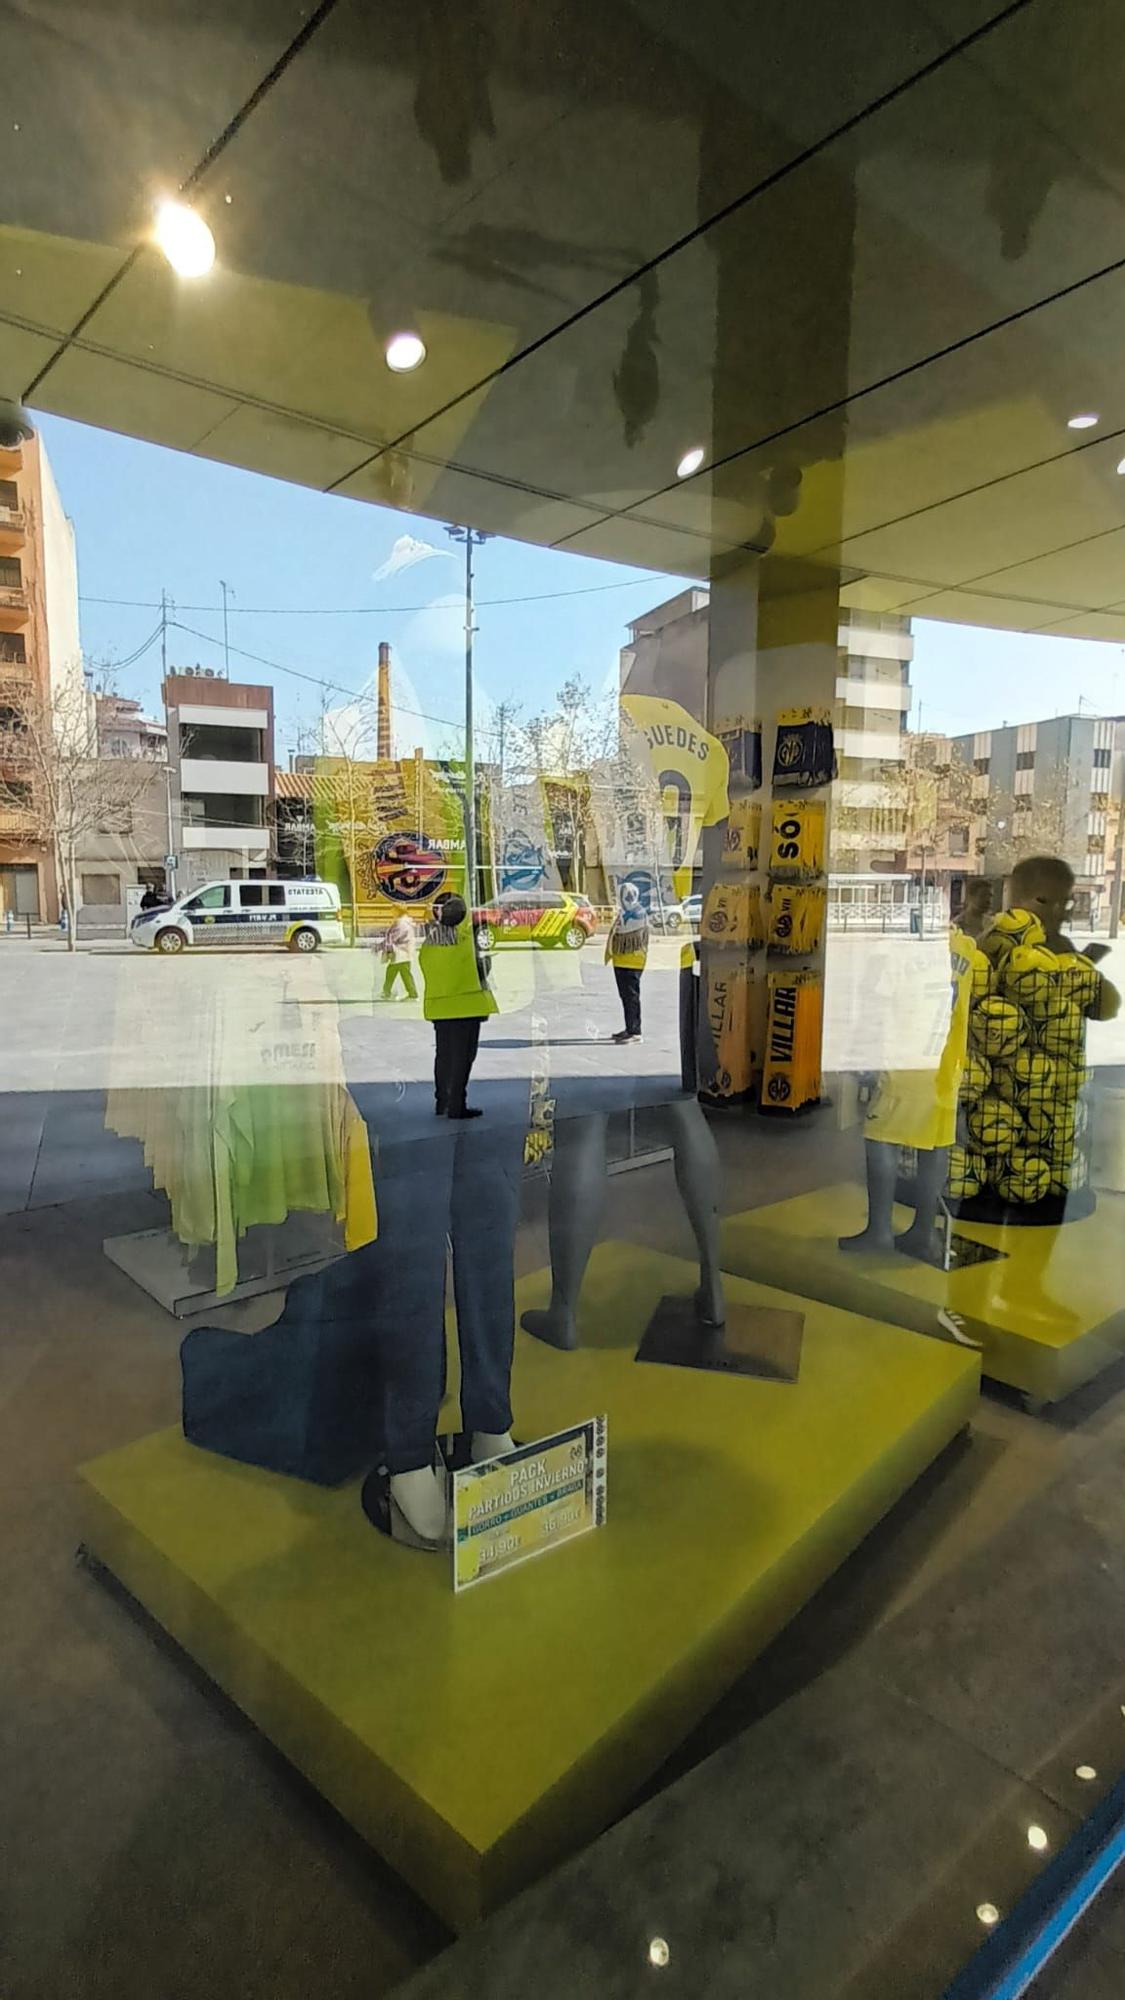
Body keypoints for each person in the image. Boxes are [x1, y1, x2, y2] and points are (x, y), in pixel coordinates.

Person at [1008, 855, 1120, 1014]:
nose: (1060, 914)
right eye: (1044, 902)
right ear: (1015, 901)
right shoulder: (997, 945)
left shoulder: (1062, 945)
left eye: (1065, 903)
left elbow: (1093, 1006)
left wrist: (1084, 968)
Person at [420, 892, 496, 1119]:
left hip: (439, 1006)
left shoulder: (431, 940)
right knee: (463, 1057)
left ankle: (441, 1101)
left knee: (443, 1055)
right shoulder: (466, 941)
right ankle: (457, 1105)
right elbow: (483, 968)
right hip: (466, 1006)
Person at [606, 882, 649, 1044]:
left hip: (633, 961)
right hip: (622, 960)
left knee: (631, 995)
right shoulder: (625, 913)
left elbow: (626, 934)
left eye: (624, 896)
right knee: (625, 995)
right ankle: (629, 1027)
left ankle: (635, 1031)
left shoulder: (638, 914)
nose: (622, 899)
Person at [378, 910, 417, 1000]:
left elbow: (392, 938)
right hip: (404, 952)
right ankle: (388, 992)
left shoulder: (401, 924)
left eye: (393, 910)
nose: (392, 912)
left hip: (400, 953)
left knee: (397, 973)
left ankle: (412, 994)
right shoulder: (406, 922)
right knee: (398, 973)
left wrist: (379, 947)